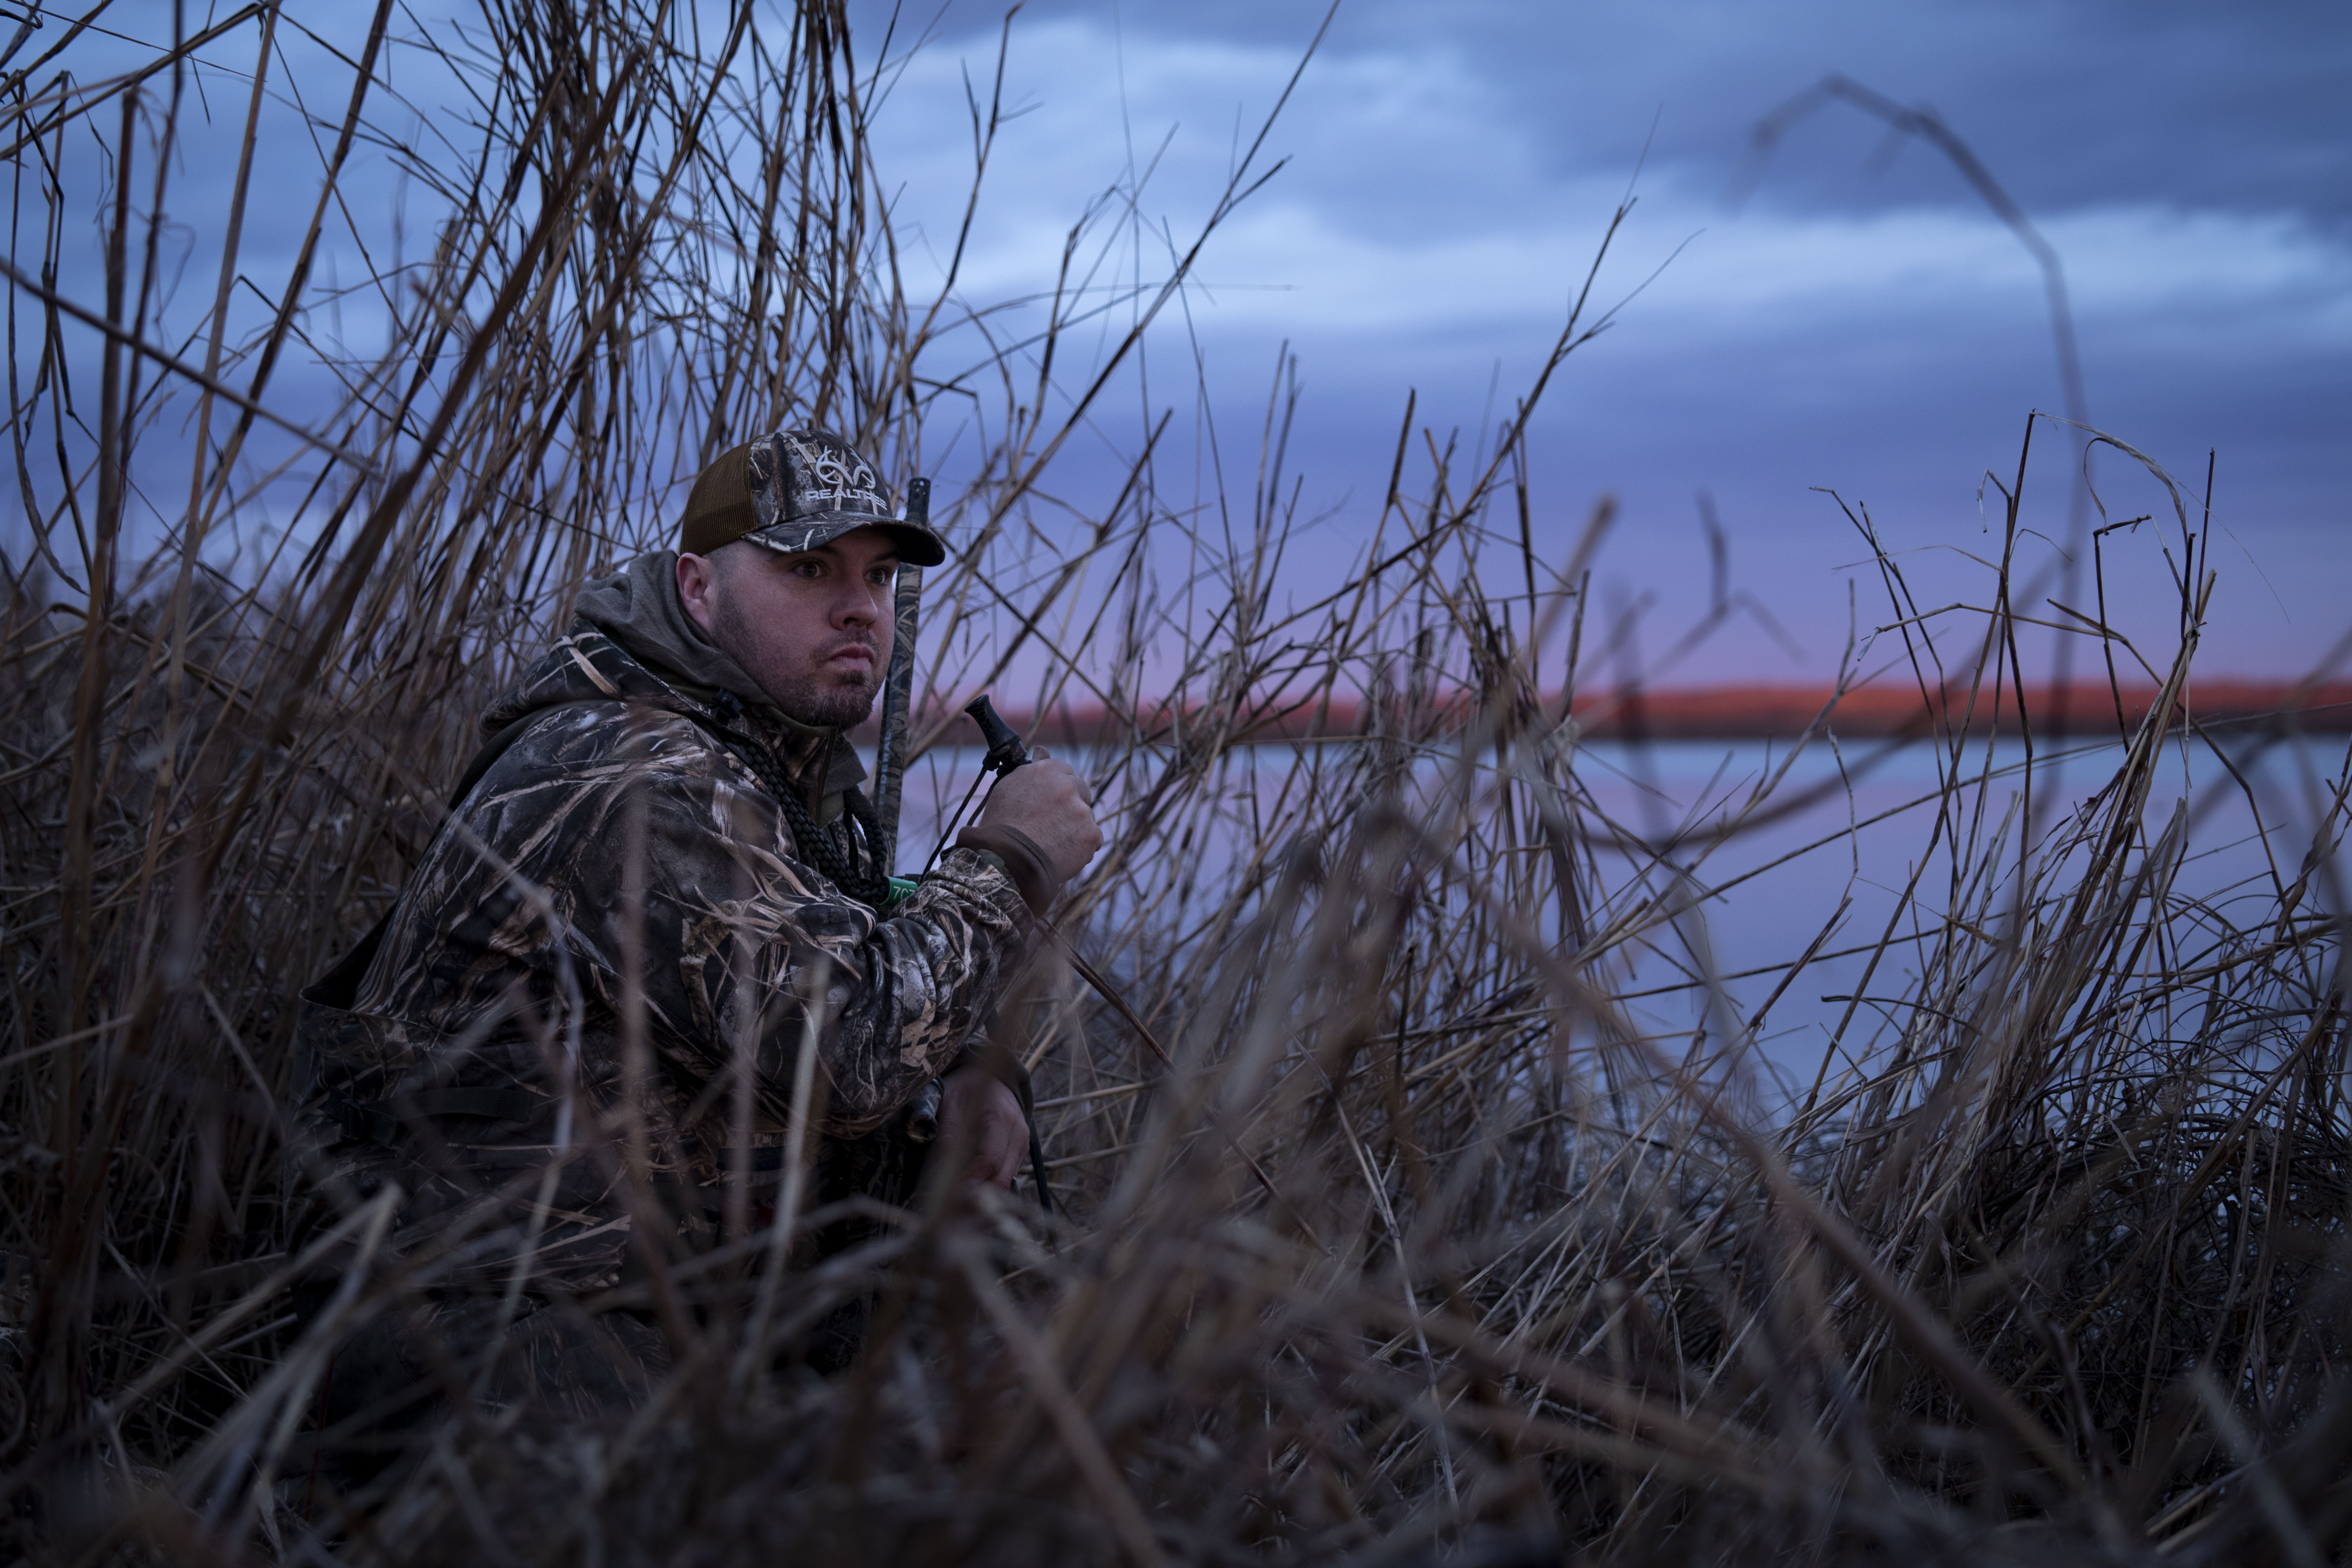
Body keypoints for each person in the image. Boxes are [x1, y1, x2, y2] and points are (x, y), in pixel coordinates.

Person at [290, 427, 1101, 1462]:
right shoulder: (624, 770)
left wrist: (976, 1071)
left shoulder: (762, 764)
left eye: (881, 576)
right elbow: (848, 1047)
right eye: (810, 568)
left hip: (665, 1312)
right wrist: (1014, 858)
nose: (861, 606)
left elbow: (831, 983)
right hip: (496, 1347)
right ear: (699, 588)